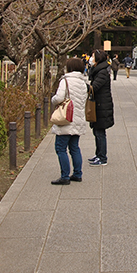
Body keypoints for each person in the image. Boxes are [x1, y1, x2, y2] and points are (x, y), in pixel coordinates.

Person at [49, 57, 89, 185]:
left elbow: (59, 97)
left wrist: (53, 99)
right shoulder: (83, 82)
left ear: (69, 68)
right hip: (78, 118)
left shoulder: (65, 81)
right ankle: (77, 173)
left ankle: (65, 176)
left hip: (66, 118)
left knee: (60, 148)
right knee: (74, 147)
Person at [87, 49, 114, 166]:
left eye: (92, 57)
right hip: (99, 104)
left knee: (99, 132)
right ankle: (98, 154)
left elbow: (95, 87)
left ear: (98, 59)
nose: (90, 59)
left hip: (102, 105)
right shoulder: (99, 70)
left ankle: (102, 157)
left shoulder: (102, 72)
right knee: (97, 131)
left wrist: (80, 86)